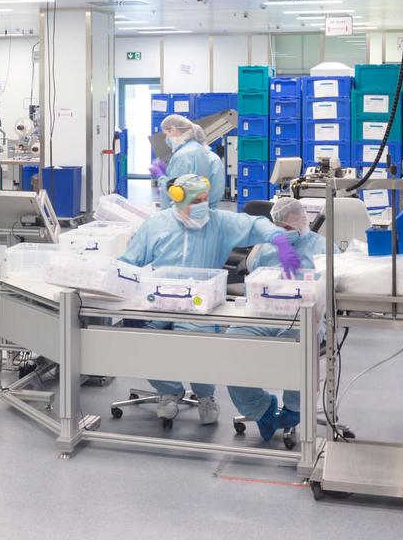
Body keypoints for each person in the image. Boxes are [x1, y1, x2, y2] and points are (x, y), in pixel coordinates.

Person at [118, 174, 301, 425]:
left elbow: (255, 224)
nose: (203, 206)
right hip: (159, 301)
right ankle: (169, 391)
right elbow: (129, 262)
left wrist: (277, 238)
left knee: (198, 350)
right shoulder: (156, 225)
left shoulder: (219, 223)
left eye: (205, 199)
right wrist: (120, 294)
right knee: (140, 342)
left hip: (199, 304)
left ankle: (205, 396)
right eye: (196, 201)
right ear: (178, 199)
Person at [227, 195, 325, 443]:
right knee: (231, 344)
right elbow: (252, 285)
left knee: (294, 349)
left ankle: (294, 409)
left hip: (304, 318)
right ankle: (260, 408)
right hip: (264, 315)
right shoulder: (266, 246)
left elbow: (331, 291)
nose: (283, 232)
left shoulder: (322, 248)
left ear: (302, 222)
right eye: (278, 227)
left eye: (288, 227)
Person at [149, 114, 225, 209]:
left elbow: (175, 193)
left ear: (173, 130)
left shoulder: (183, 155)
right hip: (206, 211)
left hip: (184, 212)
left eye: (166, 135)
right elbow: (216, 192)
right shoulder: (209, 155)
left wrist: (161, 176)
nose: (166, 139)